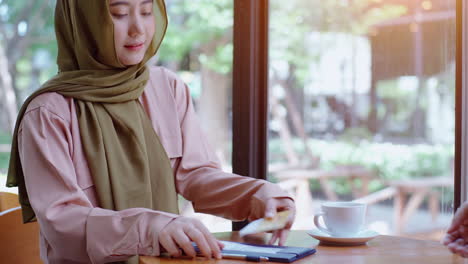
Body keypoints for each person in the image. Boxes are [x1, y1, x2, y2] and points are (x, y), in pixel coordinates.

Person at [5, 0, 296, 263]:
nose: (138, 29)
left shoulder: (167, 88)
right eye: (118, 14)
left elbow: (195, 175)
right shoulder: (48, 113)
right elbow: (62, 221)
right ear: (85, 23)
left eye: (147, 12)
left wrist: (260, 195)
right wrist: (149, 228)